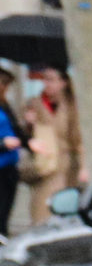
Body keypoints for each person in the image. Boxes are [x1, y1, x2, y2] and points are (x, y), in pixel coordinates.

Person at [25, 65, 78, 211]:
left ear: (63, 83)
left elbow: (77, 138)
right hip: (43, 164)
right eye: (44, 80)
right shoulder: (34, 103)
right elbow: (23, 137)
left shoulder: (71, 105)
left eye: (51, 80)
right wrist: (29, 124)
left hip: (67, 164)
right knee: (42, 207)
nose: (46, 84)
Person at [0, 67, 22, 233]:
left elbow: (16, 129)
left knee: (5, 213)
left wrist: (29, 141)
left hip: (9, 168)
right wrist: (3, 144)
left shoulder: (5, 105)